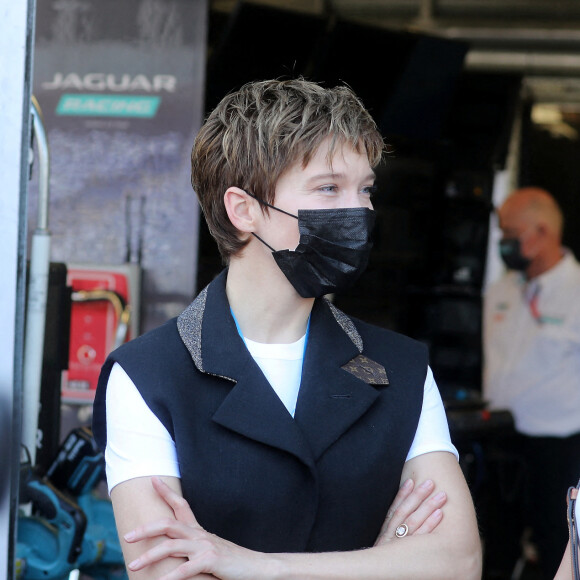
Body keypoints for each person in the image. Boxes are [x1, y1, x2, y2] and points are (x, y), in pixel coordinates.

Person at [92, 78, 481, 579]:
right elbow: (166, 573)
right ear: (243, 209)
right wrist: (385, 562)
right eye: (328, 188)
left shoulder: (399, 367)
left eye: (365, 189)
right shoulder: (150, 375)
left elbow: (458, 562)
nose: (359, 211)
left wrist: (251, 566)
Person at [483, 187, 580, 579]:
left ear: (541, 233)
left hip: (559, 446)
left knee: (555, 544)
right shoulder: (501, 289)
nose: (504, 243)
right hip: (502, 440)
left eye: (511, 233)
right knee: (495, 542)